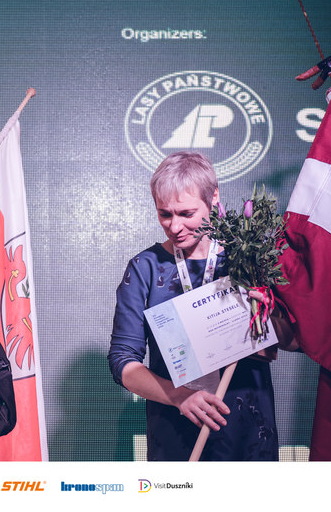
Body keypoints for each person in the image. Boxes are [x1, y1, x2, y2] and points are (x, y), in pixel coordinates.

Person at [108, 152, 279, 461]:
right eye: (165, 214)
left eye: (186, 213)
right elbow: (123, 361)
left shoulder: (248, 260)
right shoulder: (145, 268)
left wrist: (266, 322)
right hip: (175, 433)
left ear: (213, 198)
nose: (174, 227)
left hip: (248, 435)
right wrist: (178, 396)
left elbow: (288, 341)